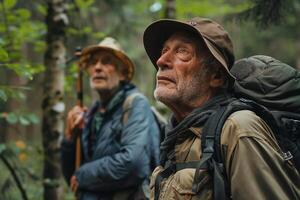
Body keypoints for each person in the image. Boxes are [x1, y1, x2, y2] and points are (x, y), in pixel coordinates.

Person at [143, 17, 300, 199]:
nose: (161, 61)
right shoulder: (176, 138)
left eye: (182, 51)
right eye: (164, 51)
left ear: (216, 76)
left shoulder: (238, 128)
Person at [61, 37, 160, 200]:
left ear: (123, 74)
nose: (98, 67)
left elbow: (134, 164)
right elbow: (73, 179)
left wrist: (83, 175)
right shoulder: (90, 115)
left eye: (107, 62)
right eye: (93, 62)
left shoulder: (135, 104)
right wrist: (70, 137)